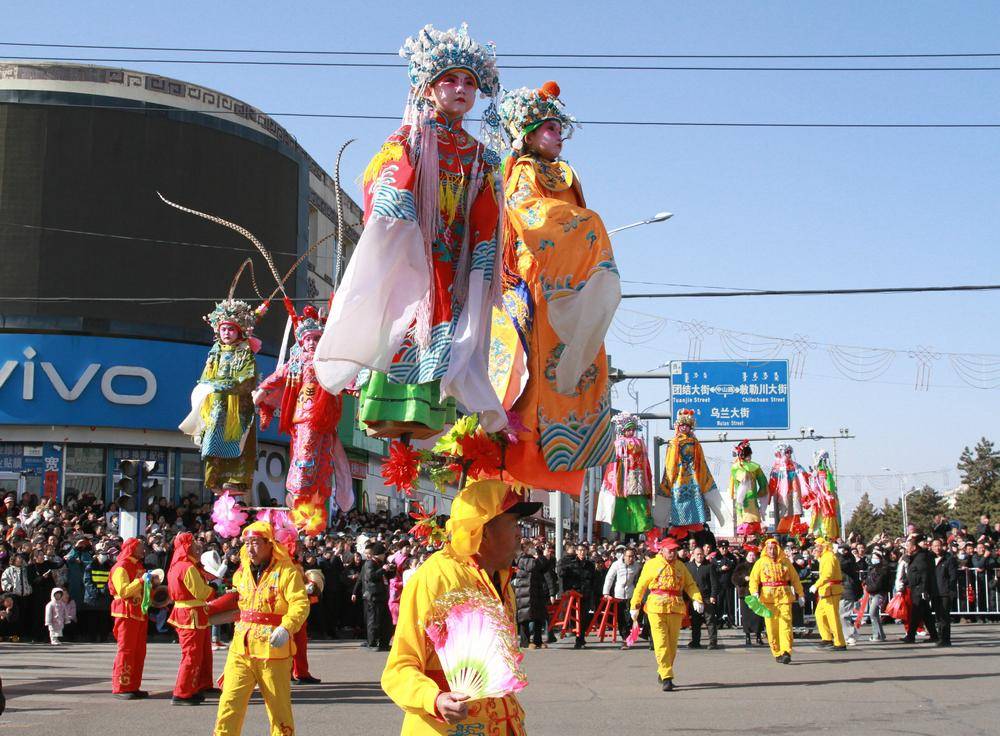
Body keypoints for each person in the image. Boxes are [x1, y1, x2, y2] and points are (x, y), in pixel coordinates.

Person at [315, 22, 506, 440]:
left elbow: (489, 213)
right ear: (428, 88)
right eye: (451, 80)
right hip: (415, 249)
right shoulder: (411, 140)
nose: (461, 89)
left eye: (469, 83)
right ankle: (390, 409)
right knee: (405, 319)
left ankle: (430, 415)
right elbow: (382, 179)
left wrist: (486, 244)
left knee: (450, 333)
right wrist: (401, 211)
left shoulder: (483, 157)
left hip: (454, 260)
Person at [489, 80, 619, 494]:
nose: (557, 134)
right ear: (527, 134)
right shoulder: (522, 170)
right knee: (540, 366)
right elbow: (526, 210)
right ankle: (526, 451)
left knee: (581, 356)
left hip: (569, 274)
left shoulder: (565, 173)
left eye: (560, 128)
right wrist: (584, 224)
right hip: (539, 277)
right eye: (549, 127)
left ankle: (571, 443)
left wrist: (580, 230)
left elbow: (571, 213)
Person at [381, 480, 540, 734]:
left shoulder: (501, 578)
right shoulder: (436, 578)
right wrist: (434, 699)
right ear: (483, 531)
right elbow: (399, 668)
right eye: (513, 524)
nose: (520, 534)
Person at [254, 305, 352, 532]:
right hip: (306, 416)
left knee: (324, 463)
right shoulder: (298, 362)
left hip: (326, 419)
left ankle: (317, 515)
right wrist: (262, 390)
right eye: (308, 339)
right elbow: (278, 376)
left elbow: (346, 380)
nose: (312, 343)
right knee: (305, 458)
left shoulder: (330, 361)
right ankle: (300, 508)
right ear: (302, 342)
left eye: (317, 338)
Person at [213, 521, 310, 736]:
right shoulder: (243, 570)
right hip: (241, 649)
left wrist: (287, 627)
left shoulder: (287, 571)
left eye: (255, 542)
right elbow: (235, 598)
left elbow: (300, 603)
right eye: (246, 543)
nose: (249, 548)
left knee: (278, 709)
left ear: (269, 544)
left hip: (272, 651)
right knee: (229, 703)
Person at [179, 297, 265, 496]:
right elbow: (205, 377)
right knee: (212, 443)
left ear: (239, 331)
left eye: (231, 329)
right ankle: (214, 480)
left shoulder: (245, 353)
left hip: (238, 406)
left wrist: (227, 385)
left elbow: (247, 378)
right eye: (224, 329)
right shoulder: (214, 352)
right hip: (216, 406)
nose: (227, 333)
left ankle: (236, 481)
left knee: (238, 442)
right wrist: (207, 388)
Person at [630, 536, 703, 691]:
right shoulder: (652, 564)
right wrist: (635, 605)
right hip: (656, 607)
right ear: (661, 550)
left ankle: (663, 671)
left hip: (675, 608)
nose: (673, 552)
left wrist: (697, 599)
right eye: (670, 550)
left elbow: (690, 584)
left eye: (675, 550)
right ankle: (667, 677)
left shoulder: (680, 566)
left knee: (672, 645)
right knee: (661, 642)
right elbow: (641, 586)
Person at [166, 532, 216, 705]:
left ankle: (193, 687)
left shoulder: (179, 566)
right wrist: (214, 589)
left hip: (190, 613)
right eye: (193, 543)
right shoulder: (187, 567)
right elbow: (201, 592)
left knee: (196, 654)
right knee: (191, 655)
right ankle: (181, 693)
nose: (198, 546)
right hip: (191, 614)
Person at [655, 410, 724, 534]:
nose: (684, 428)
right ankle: (680, 531)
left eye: (686, 426)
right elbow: (670, 464)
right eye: (682, 425)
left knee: (695, 503)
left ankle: (694, 530)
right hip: (679, 478)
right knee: (679, 502)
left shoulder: (695, 442)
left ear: (690, 427)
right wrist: (670, 479)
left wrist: (702, 476)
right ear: (678, 427)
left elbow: (700, 461)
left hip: (693, 476)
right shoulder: (674, 442)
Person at [109, 539, 155, 699]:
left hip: (138, 612)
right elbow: (123, 591)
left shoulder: (137, 566)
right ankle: (121, 686)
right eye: (140, 547)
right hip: (126, 612)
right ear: (132, 548)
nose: (143, 550)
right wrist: (141, 581)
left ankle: (133, 685)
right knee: (126, 650)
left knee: (138, 651)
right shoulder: (121, 567)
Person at [596, 413, 654, 535]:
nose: (631, 431)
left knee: (639, 504)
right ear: (622, 430)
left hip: (637, 476)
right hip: (622, 478)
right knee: (621, 504)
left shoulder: (639, 442)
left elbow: (644, 461)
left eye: (633, 429)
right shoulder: (618, 444)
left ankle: (641, 526)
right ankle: (623, 526)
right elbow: (613, 463)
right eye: (628, 429)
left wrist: (647, 476)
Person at [749, 537, 805, 664]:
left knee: (786, 625)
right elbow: (753, 579)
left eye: (774, 548)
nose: (772, 551)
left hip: (784, 598)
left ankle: (786, 651)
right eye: (769, 548)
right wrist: (754, 593)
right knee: (771, 628)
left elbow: (795, 579)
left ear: (778, 548)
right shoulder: (760, 563)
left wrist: (800, 594)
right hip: (768, 600)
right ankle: (777, 652)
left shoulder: (785, 562)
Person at [810, 538, 847, 651]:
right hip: (826, 590)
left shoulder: (829, 557)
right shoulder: (825, 557)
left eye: (817, 546)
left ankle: (839, 642)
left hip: (831, 590)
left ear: (823, 546)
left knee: (832, 617)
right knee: (819, 614)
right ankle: (827, 638)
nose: (815, 549)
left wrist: (816, 585)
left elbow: (828, 575)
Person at [354, 542, 393, 651]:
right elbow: (371, 576)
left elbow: (386, 577)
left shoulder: (381, 563)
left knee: (386, 621)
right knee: (374, 620)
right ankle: (372, 643)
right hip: (374, 596)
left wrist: (390, 570)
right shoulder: (370, 563)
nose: (385, 555)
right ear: (379, 554)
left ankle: (384, 642)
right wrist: (383, 569)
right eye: (383, 554)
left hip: (382, 596)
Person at [513, 543, 553, 649]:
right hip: (524, 591)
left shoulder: (534, 558)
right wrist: (543, 557)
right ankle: (525, 642)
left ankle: (538, 640)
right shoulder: (521, 558)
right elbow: (532, 566)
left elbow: (543, 568)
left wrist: (546, 558)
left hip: (536, 590)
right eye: (530, 547)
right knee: (525, 617)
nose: (533, 549)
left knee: (538, 616)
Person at [559, 542, 596, 649]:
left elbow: (593, 580)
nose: (582, 552)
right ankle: (578, 638)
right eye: (579, 550)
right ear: (576, 551)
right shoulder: (570, 563)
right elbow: (562, 575)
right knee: (575, 617)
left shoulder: (590, 565)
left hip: (586, 594)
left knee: (585, 617)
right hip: (574, 594)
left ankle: (581, 638)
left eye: (584, 550)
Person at [902, 536, 939, 643]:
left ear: (914, 547)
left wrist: (923, 589)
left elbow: (924, 574)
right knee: (926, 614)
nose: (906, 549)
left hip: (919, 589)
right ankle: (934, 635)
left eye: (908, 547)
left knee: (915, 613)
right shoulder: (915, 556)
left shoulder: (921, 557)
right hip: (915, 588)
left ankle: (911, 636)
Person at [729, 440, 768, 537]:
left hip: (753, 500)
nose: (749, 458)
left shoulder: (755, 467)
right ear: (741, 456)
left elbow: (763, 483)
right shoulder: (736, 467)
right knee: (745, 525)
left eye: (750, 455)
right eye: (747, 456)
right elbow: (743, 479)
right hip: (743, 502)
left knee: (755, 526)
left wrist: (760, 493)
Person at [603, 547, 642, 645]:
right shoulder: (616, 564)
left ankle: (629, 635)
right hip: (618, 594)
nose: (630, 559)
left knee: (630, 616)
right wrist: (606, 592)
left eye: (632, 556)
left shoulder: (637, 566)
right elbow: (609, 578)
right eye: (628, 556)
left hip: (631, 594)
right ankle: (624, 637)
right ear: (624, 556)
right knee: (621, 617)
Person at [767, 445, 809, 534]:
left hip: (795, 491)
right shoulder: (776, 468)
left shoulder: (796, 466)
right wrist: (769, 495)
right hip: (783, 493)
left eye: (790, 452)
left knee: (796, 508)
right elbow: (772, 482)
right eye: (787, 452)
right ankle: (784, 530)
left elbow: (804, 476)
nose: (789, 454)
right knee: (784, 510)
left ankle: (795, 528)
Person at [686, 547, 720, 649]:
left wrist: (713, 596)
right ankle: (695, 641)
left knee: (710, 620)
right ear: (693, 555)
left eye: (701, 554)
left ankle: (713, 642)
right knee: (695, 621)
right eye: (697, 554)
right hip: (694, 598)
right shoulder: (688, 566)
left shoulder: (709, 566)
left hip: (706, 597)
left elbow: (714, 583)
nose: (699, 556)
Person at [732, 546, 765, 646]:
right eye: (750, 555)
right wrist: (743, 578)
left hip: (757, 594)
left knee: (758, 616)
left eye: (753, 555)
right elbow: (734, 578)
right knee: (746, 617)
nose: (752, 557)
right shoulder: (741, 566)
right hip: (745, 594)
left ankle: (758, 636)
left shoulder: (759, 565)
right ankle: (747, 637)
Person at [930, 538, 958, 646]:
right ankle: (940, 637)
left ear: (942, 546)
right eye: (935, 546)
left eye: (939, 545)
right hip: (934, 591)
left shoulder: (949, 559)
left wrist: (950, 589)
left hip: (945, 592)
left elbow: (953, 576)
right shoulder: (930, 558)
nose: (937, 548)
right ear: (931, 547)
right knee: (938, 616)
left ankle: (946, 639)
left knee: (944, 616)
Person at [863, 548, 893, 642]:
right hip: (872, 593)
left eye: (876, 557)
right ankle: (880, 634)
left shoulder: (883, 569)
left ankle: (877, 635)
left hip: (879, 593)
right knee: (874, 614)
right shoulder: (872, 568)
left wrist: (869, 588)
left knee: (872, 613)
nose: (873, 559)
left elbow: (879, 583)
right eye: (873, 557)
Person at [713, 540, 737, 629]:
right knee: (719, 604)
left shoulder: (732, 557)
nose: (724, 550)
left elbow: (736, 569)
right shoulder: (715, 558)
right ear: (719, 548)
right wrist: (720, 569)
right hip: (719, 585)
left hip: (729, 584)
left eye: (726, 548)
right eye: (722, 548)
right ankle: (719, 622)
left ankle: (731, 621)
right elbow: (713, 571)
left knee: (730, 604)